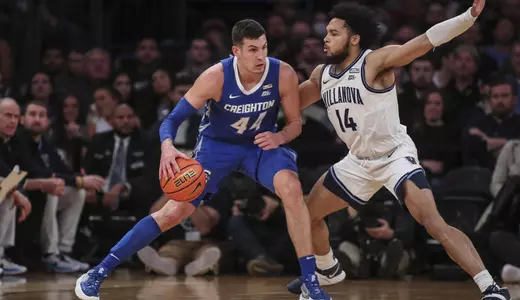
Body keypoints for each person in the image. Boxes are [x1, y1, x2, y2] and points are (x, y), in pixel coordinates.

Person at [75, 19, 330, 300]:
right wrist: (168, 147)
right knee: (173, 212)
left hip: (260, 144)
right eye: (253, 50)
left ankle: (310, 283)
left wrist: (279, 138)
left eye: (264, 48)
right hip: (216, 147)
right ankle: (98, 272)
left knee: (293, 190)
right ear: (236, 51)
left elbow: (295, 124)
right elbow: (172, 120)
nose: (261, 56)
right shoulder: (215, 77)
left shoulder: (282, 73)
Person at [287, 1, 511, 300]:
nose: (325, 39)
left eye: (333, 33)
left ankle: (491, 288)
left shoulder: (375, 62)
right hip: (356, 161)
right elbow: (289, 104)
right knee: (308, 214)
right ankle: (328, 269)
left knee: (432, 221)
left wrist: (467, 17)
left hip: (394, 156)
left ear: (354, 38)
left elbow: (424, 41)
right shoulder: (322, 74)